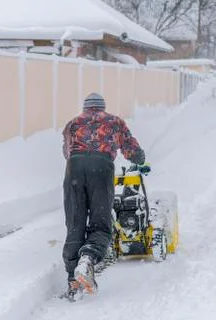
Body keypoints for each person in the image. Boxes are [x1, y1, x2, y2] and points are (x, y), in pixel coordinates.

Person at [61, 93, 146, 300]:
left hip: (74, 168)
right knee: (101, 222)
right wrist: (139, 159)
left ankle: (73, 281)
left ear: (85, 107)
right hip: (101, 168)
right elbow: (132, 150)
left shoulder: (72, 124)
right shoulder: (114, 122)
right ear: (102, 107)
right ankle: (88, 258)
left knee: (75, 224)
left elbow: (66, 151)